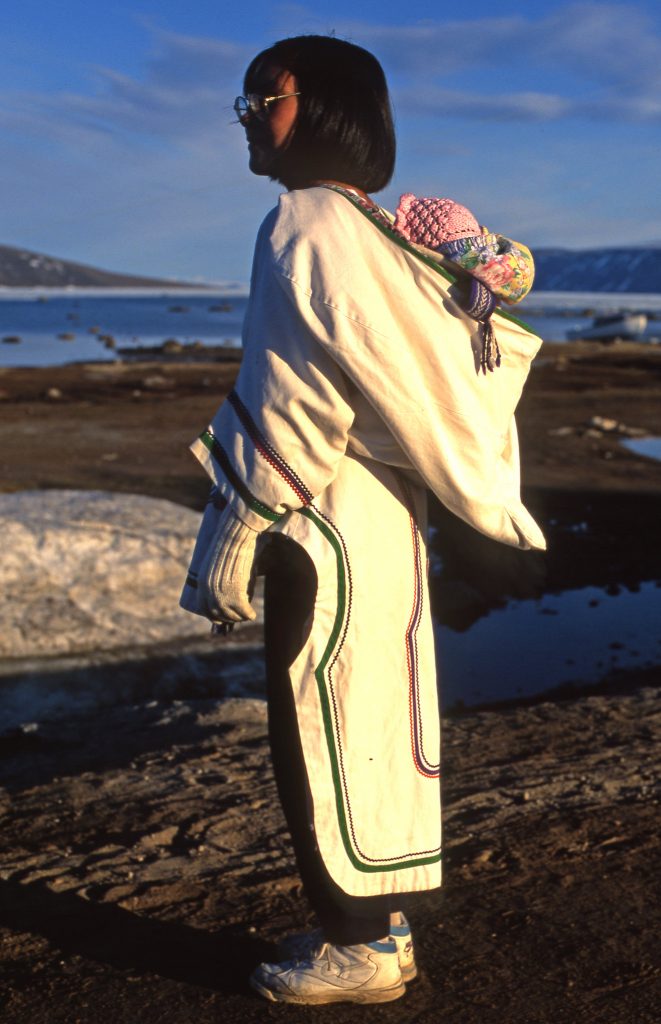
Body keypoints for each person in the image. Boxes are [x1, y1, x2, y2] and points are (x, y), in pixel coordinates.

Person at [180, 34, 545, 1006]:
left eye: (270, 95)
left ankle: (358, 948)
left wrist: (228, 543)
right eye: (248, 98)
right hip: (392, 522)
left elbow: (291, 406)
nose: (250, 113)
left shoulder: (302, 220)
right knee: (379, 715)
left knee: (319, 720)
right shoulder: (382, 232)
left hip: (323, 519)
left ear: (333, 106)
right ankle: (379, 927)